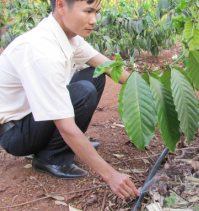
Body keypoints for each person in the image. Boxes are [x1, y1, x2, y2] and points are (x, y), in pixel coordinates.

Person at [0, 0, 139, 199]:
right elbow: (65, 126)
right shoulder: (41, 50)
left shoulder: (67, 37)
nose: (94, 20)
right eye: (88, 11)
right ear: (61, 6)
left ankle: (65, 146)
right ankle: (51, 158)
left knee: (96, 74)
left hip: (34, 118)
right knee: (83, 90)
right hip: (17, 132)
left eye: (97, 12)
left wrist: (149, 90)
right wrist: (111, 175)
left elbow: (107, 66)